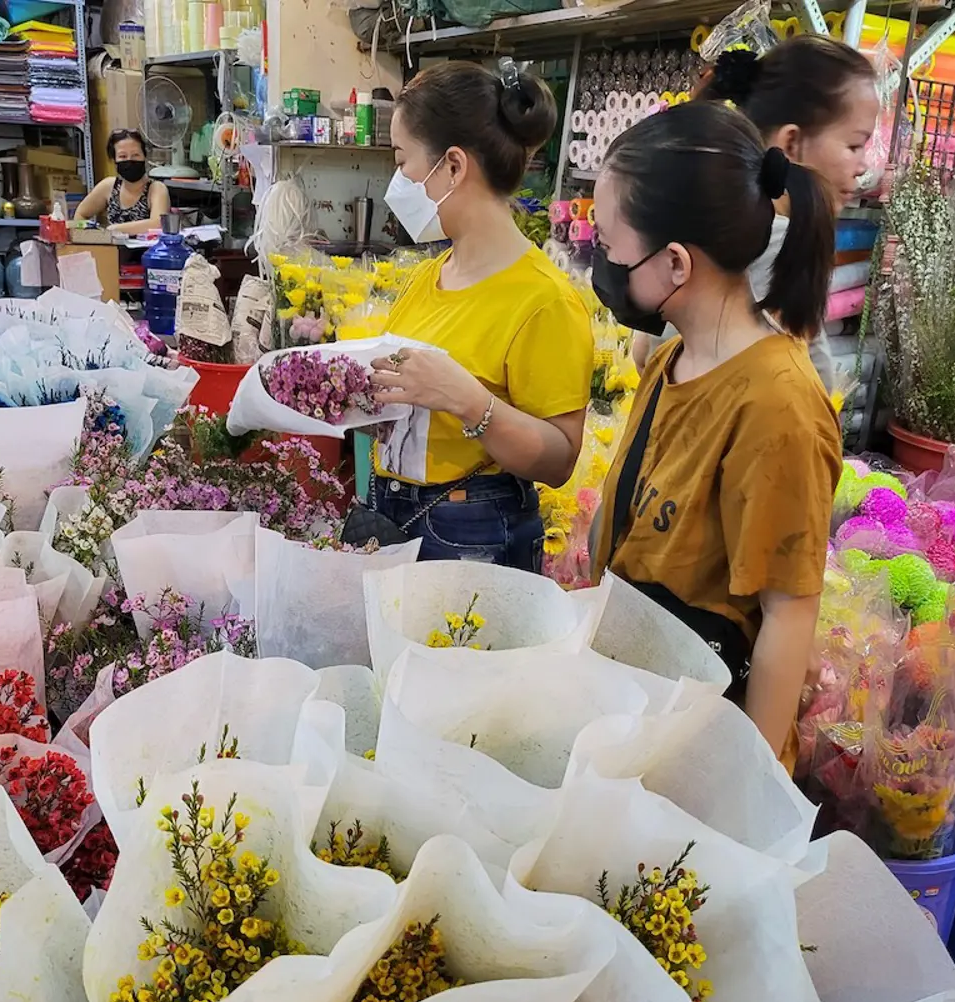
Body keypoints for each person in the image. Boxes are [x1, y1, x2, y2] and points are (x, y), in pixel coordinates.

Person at [590, 102, 842, 766]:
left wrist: (747, 792)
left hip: (703, 752)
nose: (604, 260)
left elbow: (788, 613)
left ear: (675, 264)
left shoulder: (776, 405)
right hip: (639, 715)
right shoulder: (678, 359)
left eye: (611, 245)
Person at [364, 60, 594, 569]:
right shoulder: (428, 278)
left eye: (402, 161)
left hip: (470, 531)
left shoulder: (544, 300)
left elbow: (559, 459)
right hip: (392, 510)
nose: (397, 180)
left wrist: (468, 401)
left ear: (452, 166)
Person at [631, 37, 878, 391]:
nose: (862, 166)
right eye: (854, 145)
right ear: (791, 143)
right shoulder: (764, 249)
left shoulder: (751, 232)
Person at [75, 129, 171, 235]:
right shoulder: (109, 186)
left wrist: (114, 229)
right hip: (112, 250)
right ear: (114, 161)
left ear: (145, 157)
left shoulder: (156, 189)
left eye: (135, 155)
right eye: (123, 156)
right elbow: (81, 213)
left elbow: (157, 224)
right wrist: (89, 235)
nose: (130, 160)